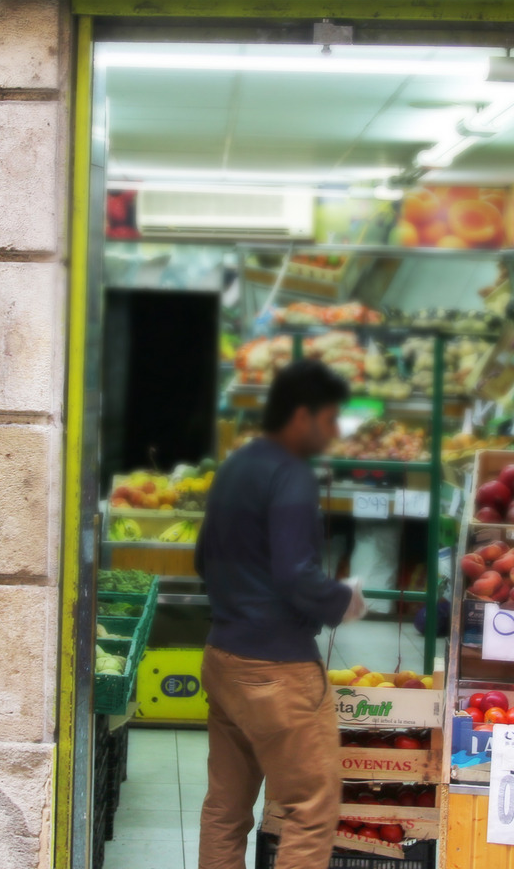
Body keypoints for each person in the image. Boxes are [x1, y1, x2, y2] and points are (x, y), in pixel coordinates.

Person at [194, 358, 366, 869]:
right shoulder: (292, 475)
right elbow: (295, 576)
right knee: (310, 808)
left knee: (226, 808)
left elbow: (204, 558)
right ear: (301, 417)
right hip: (277, 672)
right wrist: (343, 600)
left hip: (224, 657)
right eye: (331, 419)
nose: (335, 432)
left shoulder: (238, 464)